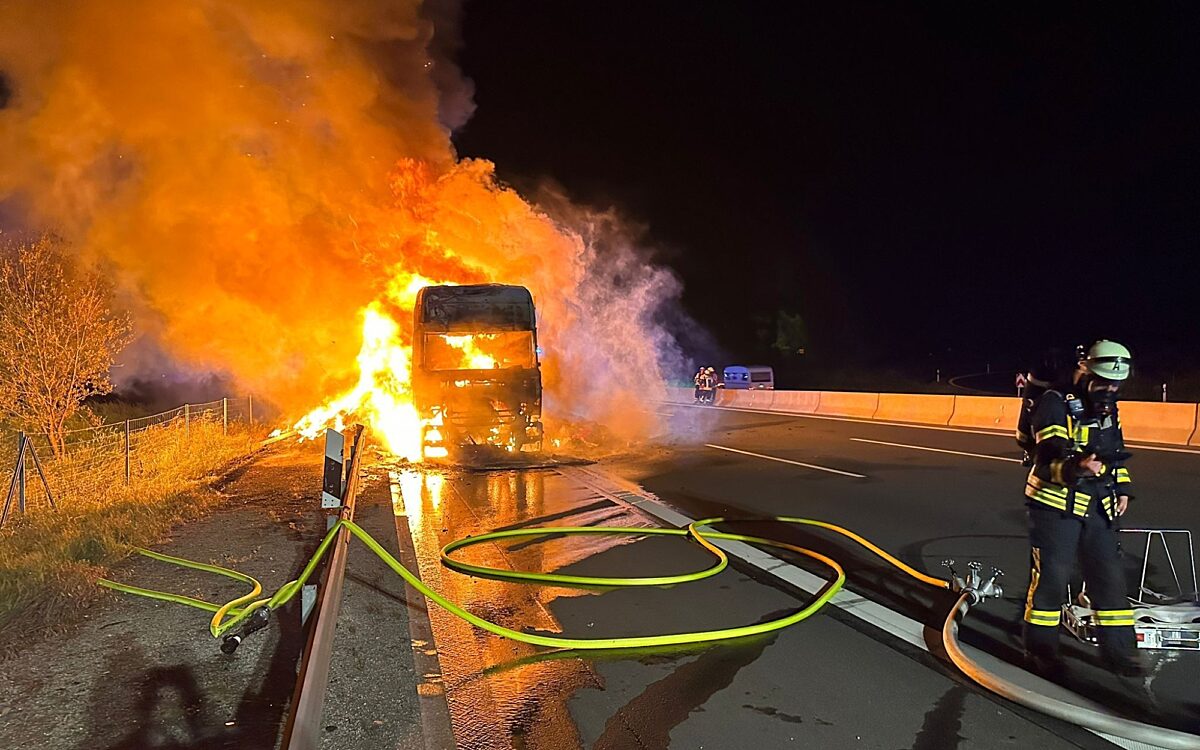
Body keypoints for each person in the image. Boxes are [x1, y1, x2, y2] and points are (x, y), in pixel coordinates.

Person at [1022, 340, 1141, 678]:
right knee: (1051, 580)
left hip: (1098, 505)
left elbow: (1115, 452)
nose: (1111, 389)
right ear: (1084, 369)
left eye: (1116, 383)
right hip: (1054, 507)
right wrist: (1076, 468)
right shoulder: (1054, 403)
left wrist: (1124, 489)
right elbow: (1046, 460)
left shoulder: (1107, 407)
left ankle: (1120, 654)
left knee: (1110, 580)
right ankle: (1040, 652)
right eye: (1104, 381)